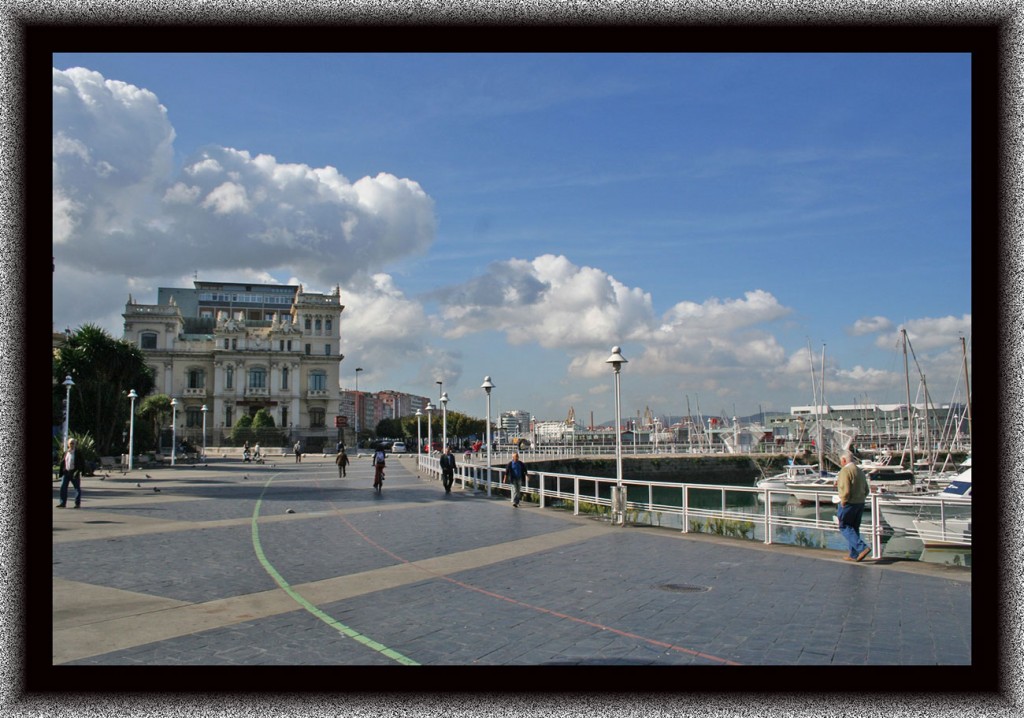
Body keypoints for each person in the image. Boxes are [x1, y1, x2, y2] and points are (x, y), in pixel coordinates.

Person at [836, 450, 872, 562]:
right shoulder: (859, 471)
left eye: (840, 460)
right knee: (854, 527)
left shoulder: (845, 471)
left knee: (844, 526)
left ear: (844, 460)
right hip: (860, 502)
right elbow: (867, 490)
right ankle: (853, 554)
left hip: (849, 503)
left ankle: (862, 548)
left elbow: (845, 489)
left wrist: (843, 500)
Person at [57, 437, 85, 509]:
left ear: (75, 444)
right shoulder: (66, 452)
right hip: (66, 472)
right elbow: (63, 462)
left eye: (73, 443)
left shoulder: (78, 452)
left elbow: (82, 462)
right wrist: (62, 471)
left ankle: (77, 503)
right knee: (63, 487)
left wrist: (80, 471)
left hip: (74, 472)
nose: (72, 445)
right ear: (68, 444)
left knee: (77, 488)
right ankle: (62, 503)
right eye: (71, 443)